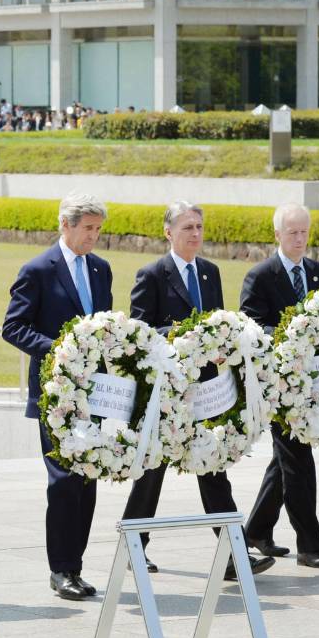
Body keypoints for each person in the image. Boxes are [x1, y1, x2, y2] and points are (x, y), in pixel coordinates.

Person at [124, 200, 274, 580]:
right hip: (167, 392)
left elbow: (218, 324)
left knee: (213, 468)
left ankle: (234, 555)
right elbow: (141, 331)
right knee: (152, 472)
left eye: (199, 227)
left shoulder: (210, 272)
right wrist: (185, 336)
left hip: (207, 390)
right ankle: (134, 547)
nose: (195, 234)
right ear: (168, 232)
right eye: (187, 227)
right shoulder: (151, 274)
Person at [2, 195, 112, 600]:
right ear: (66, 224)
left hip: (95, 393)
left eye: (98, 229)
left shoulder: (101, 269)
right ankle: (60, 569)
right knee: (64, 481)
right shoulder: (37, 270)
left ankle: (75, 566)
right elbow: (14, 327)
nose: (94, 236)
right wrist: (61, 350)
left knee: (87, 479)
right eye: (88, 228)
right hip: (55, 394)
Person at [241, 204, 319, 569]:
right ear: (277, 235)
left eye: (304, 232)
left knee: (284, 461)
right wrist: (293, 334)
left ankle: (256, 531)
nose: (299, 239)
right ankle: (310, 547)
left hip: (315, 382)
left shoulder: (317, 272)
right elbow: (252, 327)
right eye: (292, 232)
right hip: (279, 385)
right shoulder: (260, 276)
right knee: (298, 460)